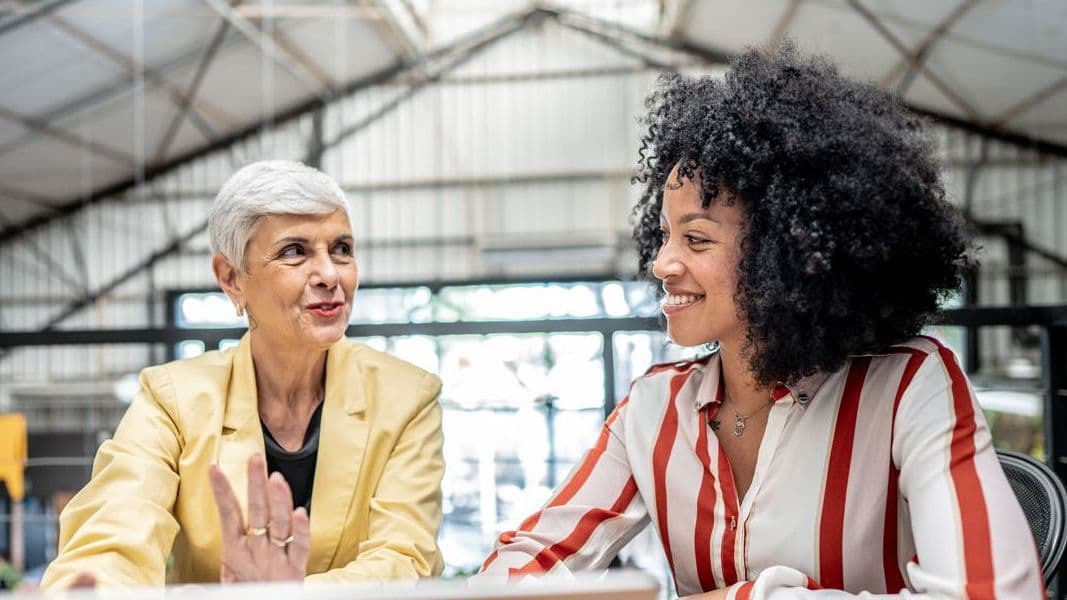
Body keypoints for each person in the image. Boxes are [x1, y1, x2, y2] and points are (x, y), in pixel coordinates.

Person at [478, 43, 1043, 598]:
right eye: (666, 234)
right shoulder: (653, 409)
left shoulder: (907, 386)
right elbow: (530, 559)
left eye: (695, 238)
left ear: (792, 251)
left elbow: (993, 592)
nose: (660, 263)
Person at [42, 161, 444, 588]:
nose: (330, 274)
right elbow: (115, 534)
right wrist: (94, 589)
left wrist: (281, 596)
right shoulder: (171, 401)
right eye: (295, 252)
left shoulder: (407, 399)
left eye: (341, 249)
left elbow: (404, 559)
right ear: (232, 278)